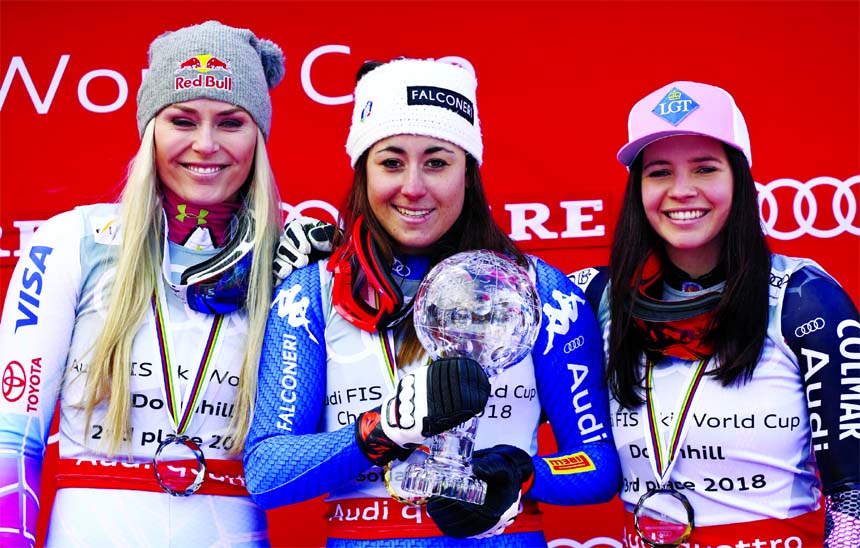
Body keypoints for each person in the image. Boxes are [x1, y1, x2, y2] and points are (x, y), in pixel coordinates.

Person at [243, 58, 621, 547]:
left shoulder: (542, 292)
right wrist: (381, 432)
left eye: (438, 161)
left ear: (470, 170)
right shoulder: (310, 295)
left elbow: (595, 465)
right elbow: (267, 473)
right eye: (391, 161)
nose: (413, 187)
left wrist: (521, 472)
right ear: (362, 171)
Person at [0, 20, 287, 547]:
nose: (205, 144)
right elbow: (11, 437)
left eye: (230, 122)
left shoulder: (292, 261)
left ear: (258, 136)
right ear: (150, 127)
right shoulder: (70, 240)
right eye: (182, 119)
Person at [570, 81, 860, 547]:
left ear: (739, 179)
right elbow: (546, 438)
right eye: (659, 172)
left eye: (705, 168)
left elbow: (854, 495)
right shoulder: (597, 297)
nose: (682, 191)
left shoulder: (803, 298)